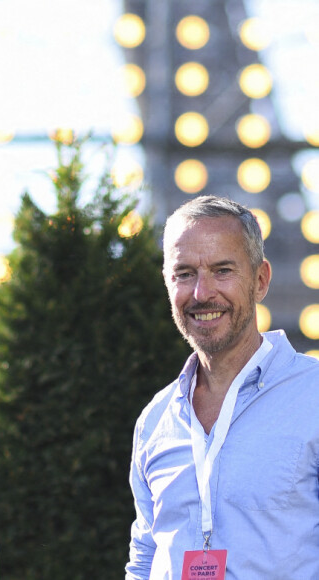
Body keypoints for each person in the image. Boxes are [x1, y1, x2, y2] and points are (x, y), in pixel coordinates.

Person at [125, 195, 319, 579]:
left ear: (260, 280)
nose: (202, 293)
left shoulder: (313, 398)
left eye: (222, 270)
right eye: (184, 274)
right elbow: (145, 558)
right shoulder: (156, 420)